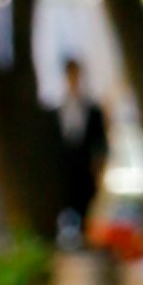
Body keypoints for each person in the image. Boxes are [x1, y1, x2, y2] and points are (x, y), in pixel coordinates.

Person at [47, 56, 111, 236]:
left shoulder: (93, 110)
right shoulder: (57, 110)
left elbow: (100, 145)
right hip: (64, 171)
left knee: (85, 212)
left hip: (85, 171)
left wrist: (99, 170)